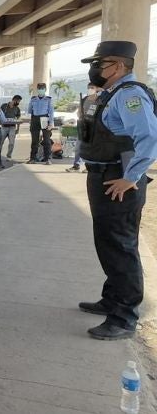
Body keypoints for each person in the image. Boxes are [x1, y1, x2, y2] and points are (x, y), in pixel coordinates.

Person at [76, 41, 157, 340]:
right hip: (103, 176)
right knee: (109, 242)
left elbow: (149, 138)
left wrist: (130, 177)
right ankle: (111, 299)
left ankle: (124, 317)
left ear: (119, 66)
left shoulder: (130, 95)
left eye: (101, 63)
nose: (95, 69)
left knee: (121, 247)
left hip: (117, 180)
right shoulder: (111, 95)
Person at [67, 83, 100, 173]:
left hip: (94, 127)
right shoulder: (84, 99)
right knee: (79, 146)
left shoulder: (99, 100)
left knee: (91, 148)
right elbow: (78, 112)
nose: (90, 89)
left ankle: (89, 166)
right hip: (84, 126)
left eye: (92, 87)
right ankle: (76, 165)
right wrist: (81, 115)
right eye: (89, 88)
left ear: (96, 89)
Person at [27, 82, 55, 165]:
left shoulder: (49, 99)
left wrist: (51, 123)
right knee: (34, 140)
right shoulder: (33, 99)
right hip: (35, 119)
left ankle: (47, 159)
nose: (41, 90)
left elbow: (51, 112)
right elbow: (29, 110)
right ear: (37, 89)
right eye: (39, 89)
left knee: (47, 140)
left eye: (42, 89)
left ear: (45, 90)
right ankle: (32, 158)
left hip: (45, 119)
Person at [0, 94, 22, 159]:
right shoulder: (4, 106)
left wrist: (18, 129)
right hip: (4, 127)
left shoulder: (17, 109)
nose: (18, 103)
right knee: (0, 142)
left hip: (12, 127)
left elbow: (18, 119)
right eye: (18, 101)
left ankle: (9, 155)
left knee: (11, 143)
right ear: (14, 100)